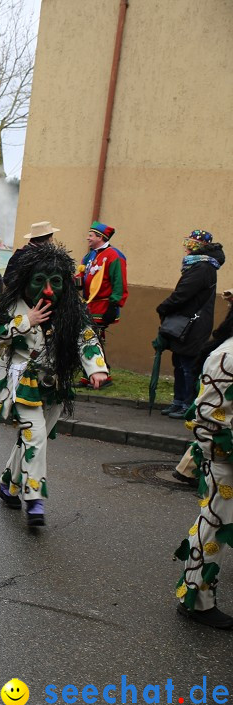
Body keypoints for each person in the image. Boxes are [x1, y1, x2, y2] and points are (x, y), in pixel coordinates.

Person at [0, 243, 108, 527]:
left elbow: (87, 338)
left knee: (33, 438)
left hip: (55, 385)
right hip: (20, 382)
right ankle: (34, 499)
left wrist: (96, 369)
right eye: (40, 282)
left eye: (56, 283)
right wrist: (26, 321)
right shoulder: (12, 305)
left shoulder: (71, 308)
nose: (48, 290)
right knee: (34, 437)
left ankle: (8, 485)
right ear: (27, 280)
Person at [174, 304, 233, 629]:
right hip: (224, 459)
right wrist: (222, 452)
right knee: (214, 523)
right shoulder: (227, 355)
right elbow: (207, 416)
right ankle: (196, 599)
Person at [157, 230, 224, 419]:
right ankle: (177, 401)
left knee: (188, 365)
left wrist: (164, 307)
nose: (187, 248)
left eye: (193, 245)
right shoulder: (197, 266)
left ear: (202, 248)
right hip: (187, 321)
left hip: (194, 323)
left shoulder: (202, 268)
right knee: (178, 362)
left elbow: (183, 293)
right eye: (187, 243)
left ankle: (188, 404)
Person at [77, 221, 127, 387]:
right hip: (89, 305)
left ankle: (102, 376)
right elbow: (82, 277)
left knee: (93, 338)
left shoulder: (115, 256)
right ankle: (89, 375)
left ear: (100, 237)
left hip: (103, 306)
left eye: (90, 235)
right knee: (89, 338)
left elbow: (119, 283)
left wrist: (114, 305)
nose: (87, 238)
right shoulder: (90, 256)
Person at [4, 220, 59, 287]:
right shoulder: (21, 255)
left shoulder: (47, 255)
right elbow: (8, 279)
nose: (52, 240)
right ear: (46, 239)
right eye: (51, 237)